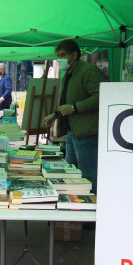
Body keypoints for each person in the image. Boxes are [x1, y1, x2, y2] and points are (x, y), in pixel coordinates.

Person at [42, 39, 102, 194]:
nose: (59, 59)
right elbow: (68, 102)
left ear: (74, 55)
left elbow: (100, 97)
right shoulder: (67, 74)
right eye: (58, 56)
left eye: (62, 55)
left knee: (88, 177)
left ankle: (90, 213)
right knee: (70, 175)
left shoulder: (89, 71)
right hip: (71, 133)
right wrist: (55, 114)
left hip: (87, 133)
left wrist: (75, 108)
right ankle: (73, 207)